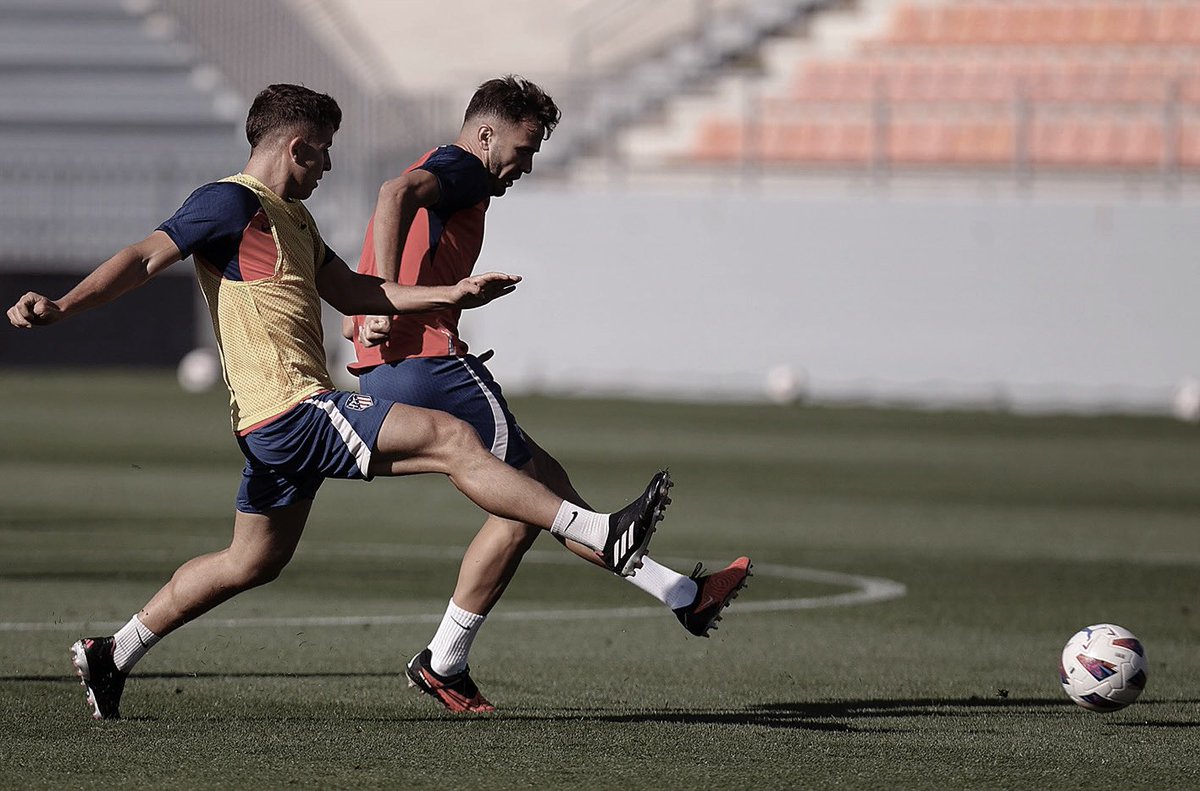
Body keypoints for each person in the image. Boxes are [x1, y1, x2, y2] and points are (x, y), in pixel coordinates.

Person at [6, 83, 674, 721]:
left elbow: (359, 292)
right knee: (451, 438)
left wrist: (452, 295)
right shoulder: (228, 203)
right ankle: (598, 531)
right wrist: (63, 306)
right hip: (292, 410)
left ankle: (112, 651)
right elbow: (144, 257)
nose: (328, 163)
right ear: (296, 146)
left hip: (275, 424)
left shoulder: (292, 219)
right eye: (323, 148)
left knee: (251, 561)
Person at [344, 75, 751, 714]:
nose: (525, 166)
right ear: (486, 134)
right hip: (425, 364)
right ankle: (664, 584)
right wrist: (384, 296)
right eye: (523, 148)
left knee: (531, 496)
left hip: (390, 367)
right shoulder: (461, 167)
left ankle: (449, 660)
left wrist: (375, 301)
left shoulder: (444, 171)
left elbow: (393, 211)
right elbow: (392, 194)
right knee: (542, 497)